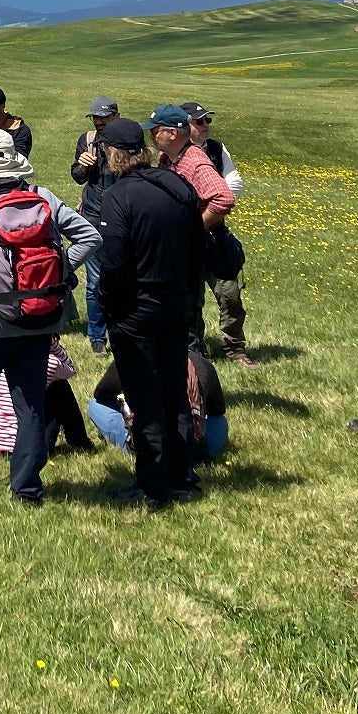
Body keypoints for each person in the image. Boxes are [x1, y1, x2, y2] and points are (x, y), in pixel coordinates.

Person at [0, 129, 99, 505]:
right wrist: (60, 274)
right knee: (31, 406)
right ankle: (26, 487)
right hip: (39, 319)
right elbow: (90, 237)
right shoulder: (42, 198)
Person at [95, 117, 207, 508]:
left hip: (136, 312)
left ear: (112, 154)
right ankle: (182, 476)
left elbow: (112, 263)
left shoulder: (119, 197)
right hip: (177, 306)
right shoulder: (177, 185)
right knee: (175, 391)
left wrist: (109, 307)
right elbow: (198, 251)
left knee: (146, 400)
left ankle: (152, 484)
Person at [147, 102, 249, 368]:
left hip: (209, 241)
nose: (151, 135)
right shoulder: (167, 158)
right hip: (187, 246)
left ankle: (230, 352)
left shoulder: (195, 161)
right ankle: (197, 357)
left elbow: (223, 198)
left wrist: (192, 227)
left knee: (227, 296)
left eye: (155, 130)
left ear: (171, 133)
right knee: (188, 304)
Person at [182, 100, 250, 367]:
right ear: (185, 126)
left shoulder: (217, 149)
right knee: (191, 299)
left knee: (230, 294)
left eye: (207, 120)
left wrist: (210, 202)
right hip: (189, 237)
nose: (206, 125)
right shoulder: (175, 155)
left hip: (216, 233)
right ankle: (196, 352)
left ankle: (235, 349)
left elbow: (234, 184)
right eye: (199, 121)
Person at [89, 348, 228, 462]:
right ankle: (204, 450)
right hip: (194, 449)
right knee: (219, 420)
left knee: (95, 405)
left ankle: (129, 444)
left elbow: (101, 395)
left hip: (149, 448)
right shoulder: (201, 363)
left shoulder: (132, 358)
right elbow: (217, 409)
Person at [69, 97, 123, 355]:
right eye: (95, 117)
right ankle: (97, 336)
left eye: (104, 117)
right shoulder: (87, 140)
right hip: (92, 217)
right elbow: (78, 177)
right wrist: (82, 166)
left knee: (122, 279)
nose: (99, 122)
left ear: (116, 116)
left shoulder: (127, 141)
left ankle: (120, 331)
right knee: (95, 281)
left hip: (121, 220)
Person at [0, 340, 93, 457]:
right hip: (23, 447)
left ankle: (79, 440)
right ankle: (80, 441)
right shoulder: (47, 362)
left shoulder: (1, 357)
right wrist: (53, 343)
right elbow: (70, 369)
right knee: (59, 386)